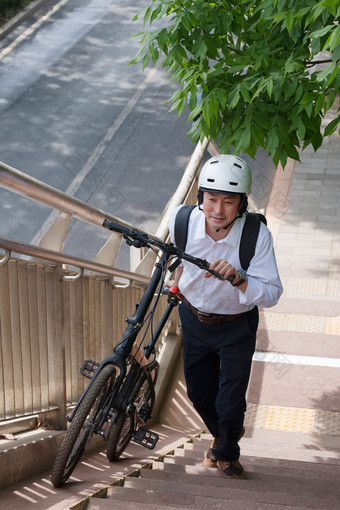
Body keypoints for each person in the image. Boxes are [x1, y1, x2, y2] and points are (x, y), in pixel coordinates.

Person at [166, 154, 283, 480]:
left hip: (236, 326)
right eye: (211, 198)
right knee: (198, 393)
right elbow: (176, 258)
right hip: (193, 319)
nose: (217, 209)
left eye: (228, 202)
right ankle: (226, 432)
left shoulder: (255, 236)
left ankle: (227, 451)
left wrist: (240, 278)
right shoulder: (182, 221)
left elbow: (272, 294)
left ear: (242, 204)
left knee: (231, 402)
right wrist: (176, 283)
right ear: (200, 196)